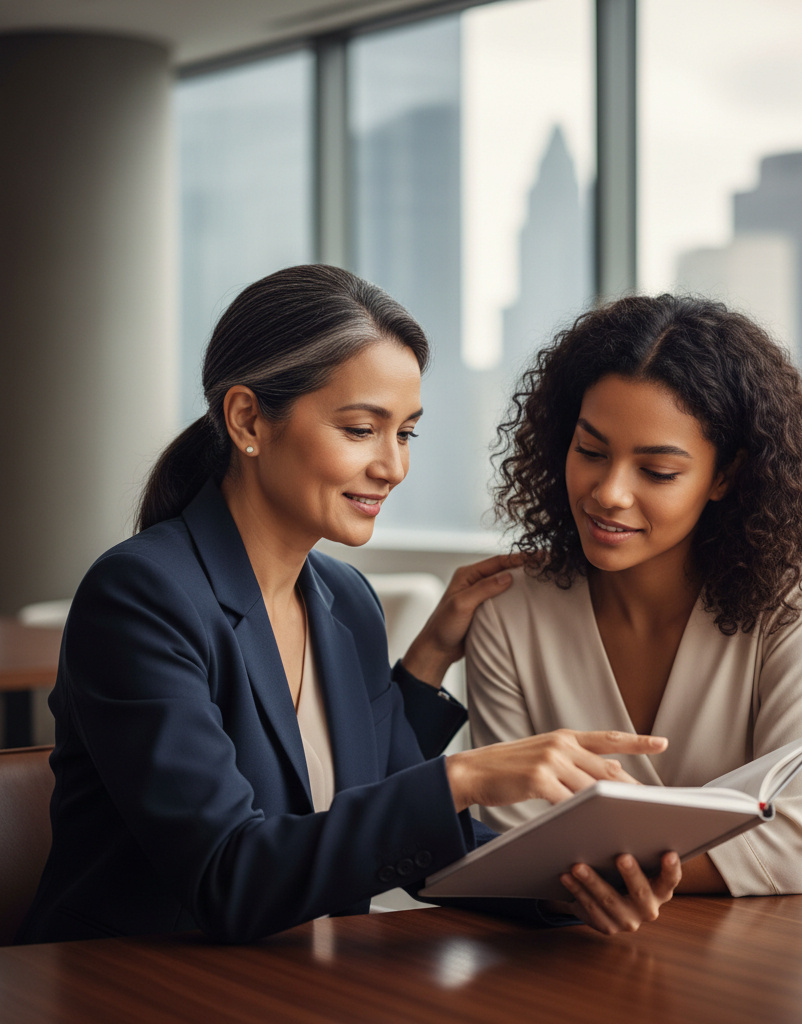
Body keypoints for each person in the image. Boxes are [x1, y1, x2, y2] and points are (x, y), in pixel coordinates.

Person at [17, 266, 682, 946]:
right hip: (127, 986)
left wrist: (576, 878)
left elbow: (397, 823)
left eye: (406, 434)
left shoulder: (346, 601)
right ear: (248, 419)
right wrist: (467, 775)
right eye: (363, 429)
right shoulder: (141, 597)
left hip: (296, 984)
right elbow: (228, 874)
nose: (393, 467)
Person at [467, 294, 802, 897]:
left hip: (770, 949)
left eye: (656, 472)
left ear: (726, 476)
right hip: (565, 954)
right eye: (590, 451)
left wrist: (581, 868)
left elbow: (789, 850)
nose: (610, 493)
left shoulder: (799, 598)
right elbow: (508, 845)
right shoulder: (507, 610)